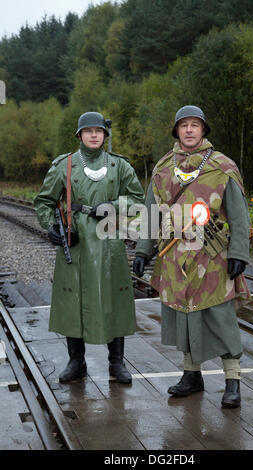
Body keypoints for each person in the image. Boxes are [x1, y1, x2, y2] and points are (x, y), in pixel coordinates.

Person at [133, 105, 251, 407]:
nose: (189, 130)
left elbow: (238, 215)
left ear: (203, 130)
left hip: (213, 258)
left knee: (221, 318)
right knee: (183, 316)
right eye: (183, 125)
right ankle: (191, 375)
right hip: (174, 259)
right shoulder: (162, 168)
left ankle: (232, 380)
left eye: (194, 125)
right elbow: (150, 214)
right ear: (176, 131)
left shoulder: (222, 166)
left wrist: (238, 252)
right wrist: (144, 250)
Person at [34, 111, 144, 384]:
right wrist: (53, 227)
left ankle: (116, 363)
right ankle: (76, 361)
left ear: (105, 135)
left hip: (110, 241)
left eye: (98, 131)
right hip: (77, 241)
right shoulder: (65, 165)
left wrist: (113, 206)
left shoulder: (120, 166)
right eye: (88, 130)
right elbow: (44, 201)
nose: (94, 135)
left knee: (115, 296)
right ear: (80, 135)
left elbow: (138, 200)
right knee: (73, 299)